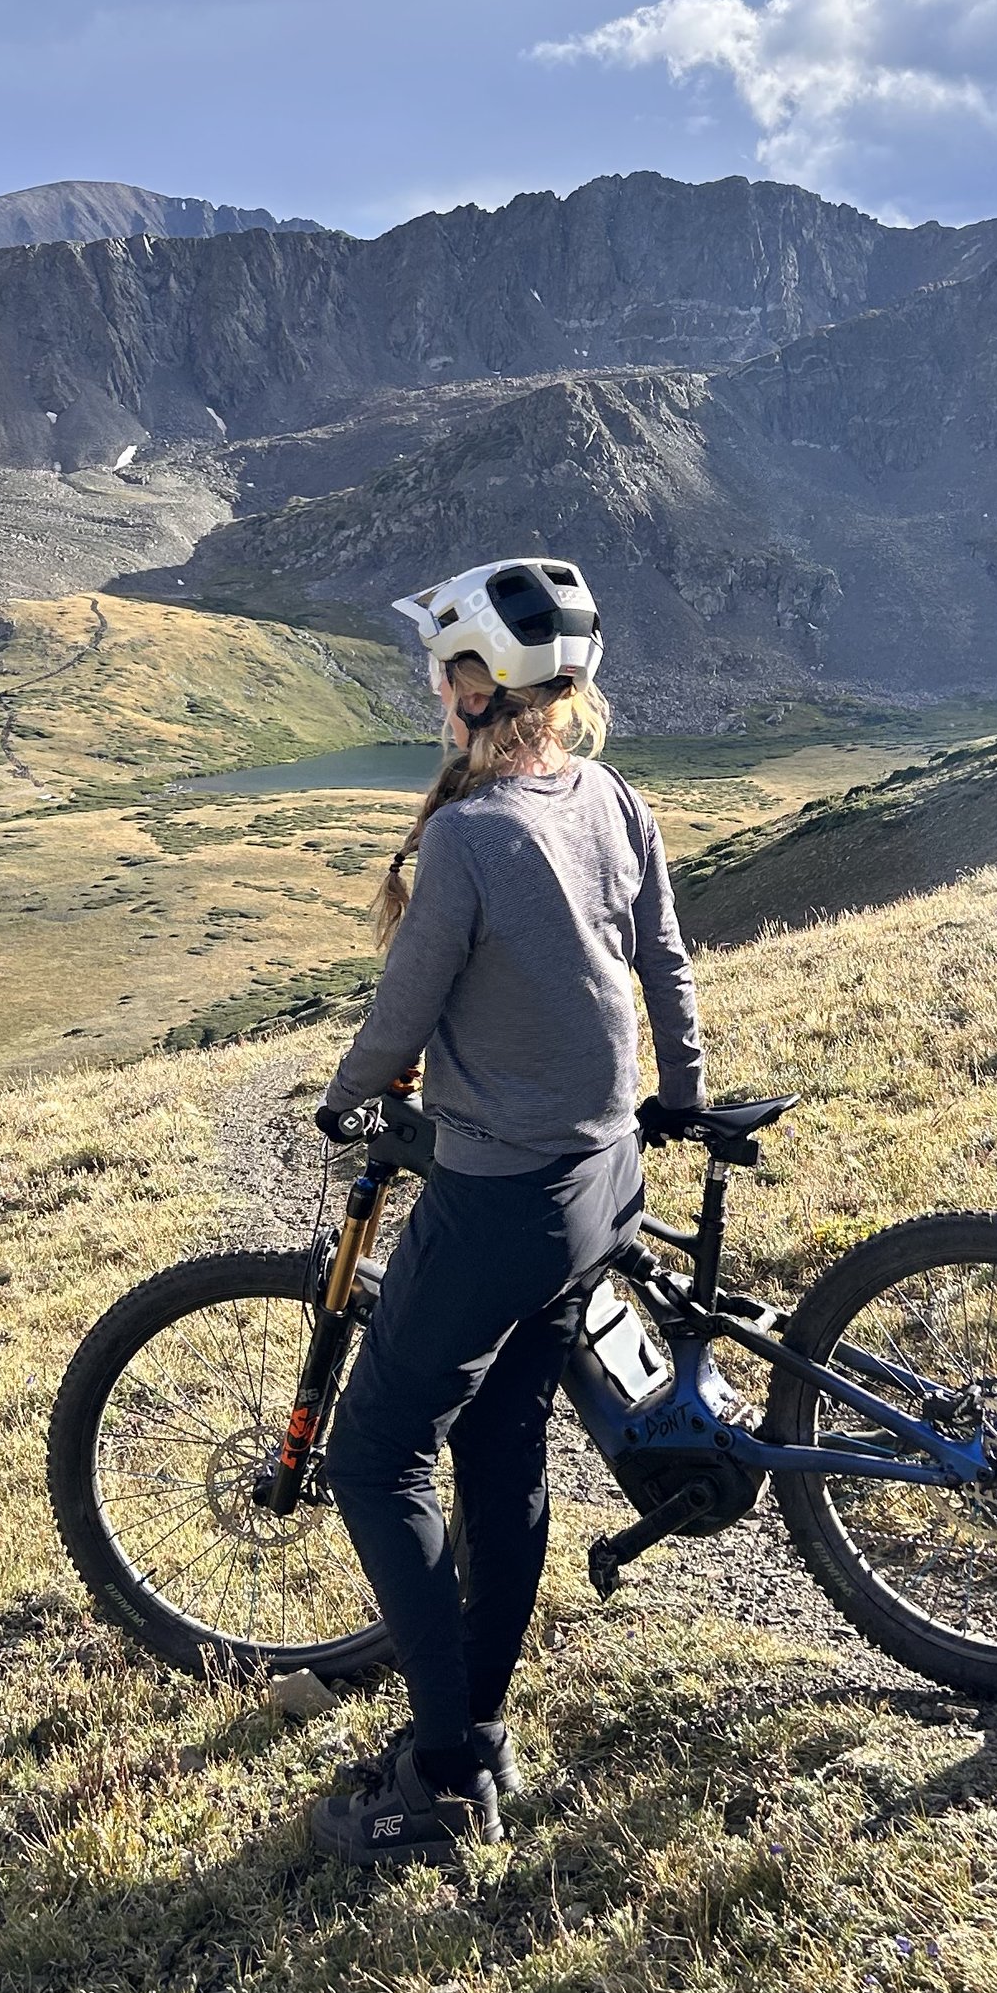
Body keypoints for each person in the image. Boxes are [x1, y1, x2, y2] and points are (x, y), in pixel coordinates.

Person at [305, 555, 705, 1869]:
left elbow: (402, 1015)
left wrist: (348, 1093)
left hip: (502, 1203)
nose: (434, 683)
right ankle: (475, 1723)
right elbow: (663, 959)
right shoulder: (607, 794)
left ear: (486, 686)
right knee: (500, 1442)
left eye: (445, 665)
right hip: (605, 1187)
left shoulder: (471, 837)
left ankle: (446, 1775)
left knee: (374, 1456)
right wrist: (682, 1093)